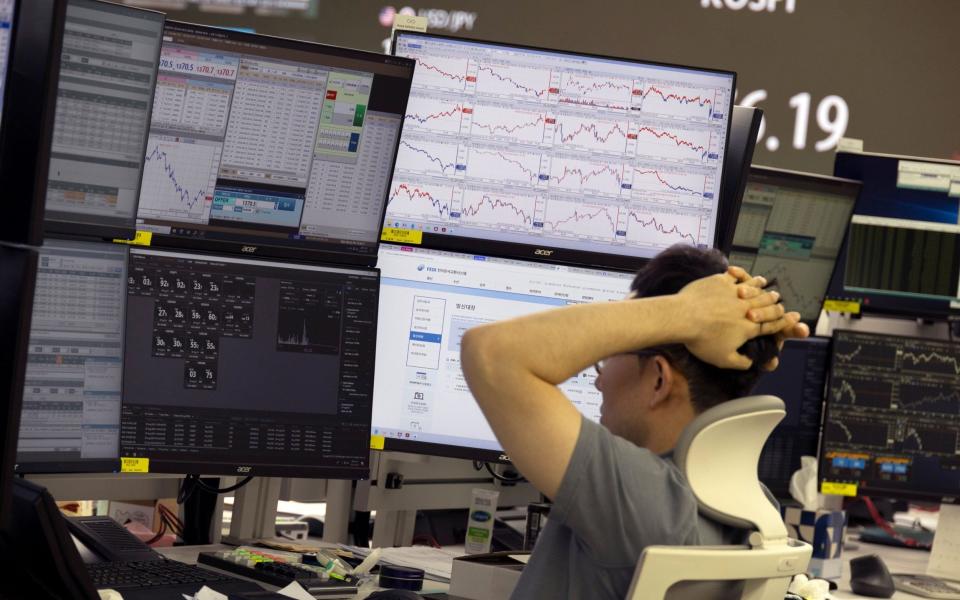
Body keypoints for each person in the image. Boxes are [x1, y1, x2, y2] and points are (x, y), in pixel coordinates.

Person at [459, 245, 809, 599]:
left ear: (658, 380)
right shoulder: (755, 506)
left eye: (609, 357)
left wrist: (687, 313)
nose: (598, 380)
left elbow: (490, 353)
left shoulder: (637, 497)